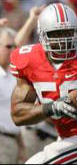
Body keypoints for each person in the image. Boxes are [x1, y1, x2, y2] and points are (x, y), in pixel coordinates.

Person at [9, 3, 77, 164]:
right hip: (65, 140)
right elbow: (18, 115)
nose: (64, 39)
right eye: (57, 33)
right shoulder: (28, 60)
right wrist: (52, 107)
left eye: (69, 32)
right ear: (42, 35)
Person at [0, 27, 26, 164]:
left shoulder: (11, 77)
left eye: (14, 47)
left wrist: (21, 145)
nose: (12, 50)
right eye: (8, 46)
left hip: (13, 141)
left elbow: (12, 116)